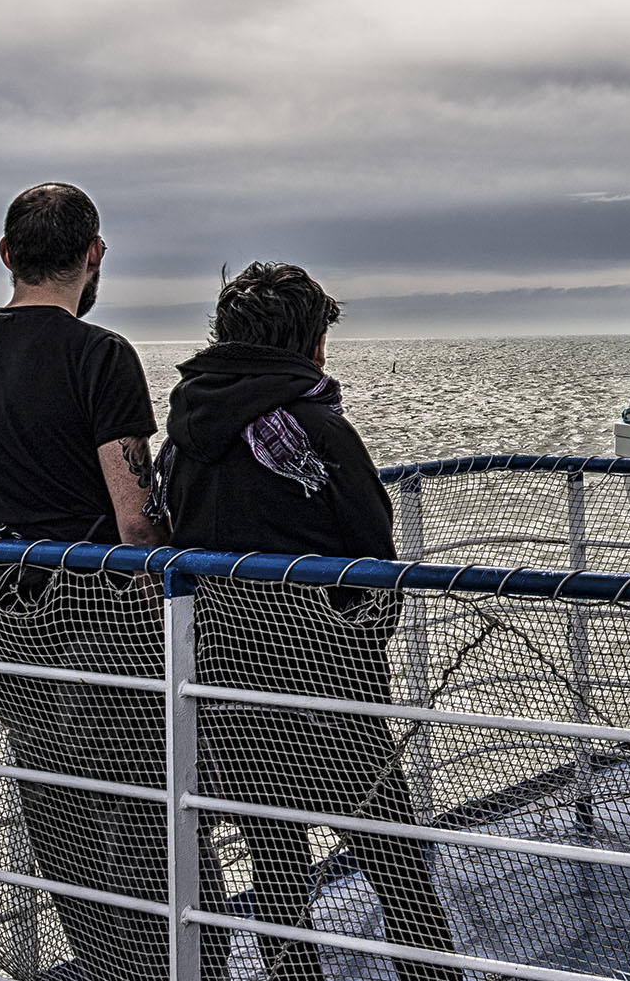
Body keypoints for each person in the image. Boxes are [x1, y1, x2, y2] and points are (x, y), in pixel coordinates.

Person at [159, 261, 459, 981]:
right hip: (332, 694)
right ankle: (433, 976)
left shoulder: (184, 436)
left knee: (278, 867)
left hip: (231, 691)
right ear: (308, 344)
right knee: (394, 858)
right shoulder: (316, 426)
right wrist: (356, 641)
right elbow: (374, 560)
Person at [0, 182, 171, 980]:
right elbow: (136, 523)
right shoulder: (102, 356)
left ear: (6, 255)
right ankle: (170, 960)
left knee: (54, 802)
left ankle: (102, 963)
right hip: (100, 628)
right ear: (93, 256)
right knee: (146, 811)